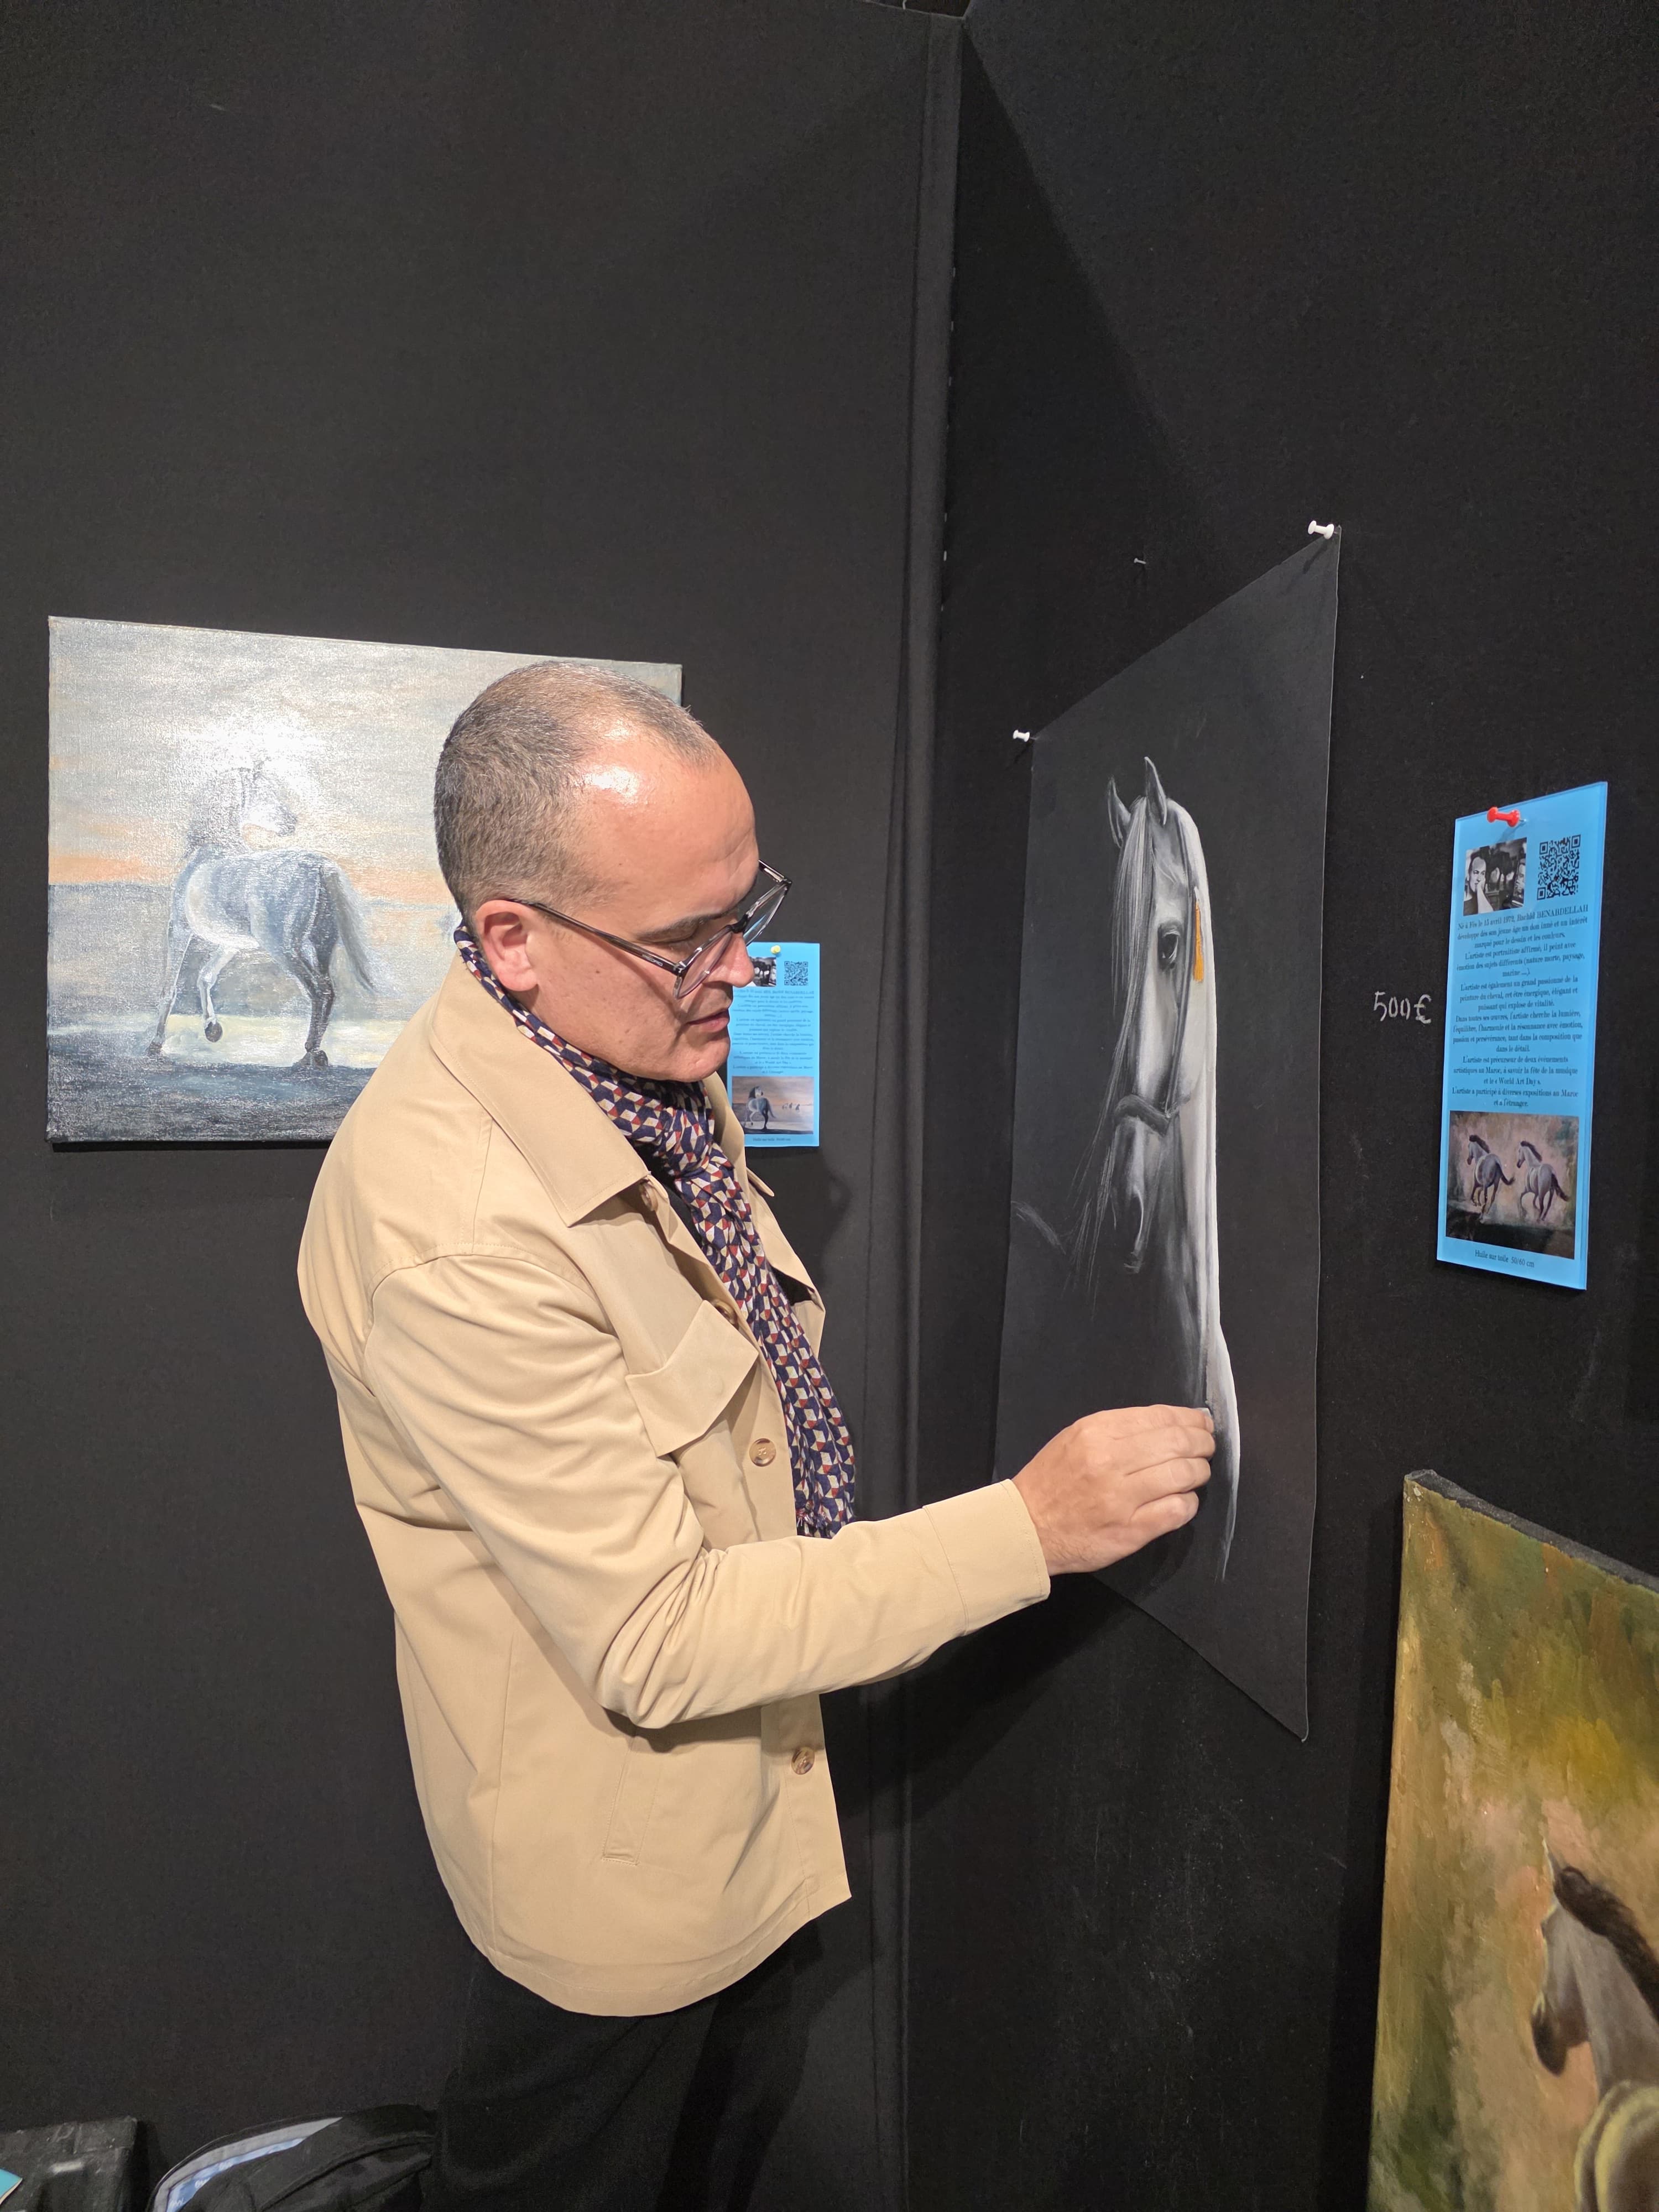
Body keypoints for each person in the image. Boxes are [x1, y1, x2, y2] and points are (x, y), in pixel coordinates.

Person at [298, 662, 1213, 2211]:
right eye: (685, 939)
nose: (742, 966)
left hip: (750, 1812)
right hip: (622, 1888)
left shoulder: (639, 1072)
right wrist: (1030, 1529)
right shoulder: (452, 1233)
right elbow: (653, 1631)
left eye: (748, 904)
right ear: (510, 941)